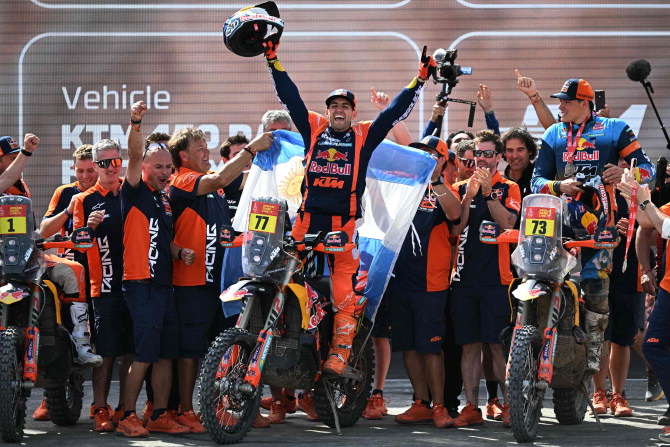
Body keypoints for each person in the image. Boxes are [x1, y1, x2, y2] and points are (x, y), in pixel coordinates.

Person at [262, 40, 432, 383]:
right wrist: (273, 60)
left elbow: (393, 112)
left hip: (343, 228)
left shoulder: (364, 134)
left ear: (354, 112)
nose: (339, 110)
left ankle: (339, 354)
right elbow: (290, 97)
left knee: (345, 295)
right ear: (327, 112)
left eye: (345, 106)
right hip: (305, 223)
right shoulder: (313, 126)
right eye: (334, 106)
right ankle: (287, 344)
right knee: (278, 280)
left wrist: (419, 80)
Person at [531, 78, 655, 373]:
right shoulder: (553, 133)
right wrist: (560, 185)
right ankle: (545, 361)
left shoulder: (614, 128)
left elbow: (647, 169)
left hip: (602, 232)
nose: (560, 106)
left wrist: (625, 174)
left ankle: (593, 370)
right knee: (549, 296)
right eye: (560, 101)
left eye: (566, 101)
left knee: (597, 303)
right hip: (559, 231)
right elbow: (535, 181)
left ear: (584, 103)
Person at [168, 126, 273, 431]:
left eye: (206, 146)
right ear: (183, 155)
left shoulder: (212, 183)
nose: (207, 152)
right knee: (190, 350)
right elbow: (222, 178)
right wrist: (251, 149)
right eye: (199, 148)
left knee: (228, 347)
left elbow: (237, 185)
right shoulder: (183, 179)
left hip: (221, 282)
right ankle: (186, 410)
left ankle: (223, 405)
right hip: (192, 282)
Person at [115, 101, 193, 438]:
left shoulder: (163, 199)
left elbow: (163, 240)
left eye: (168, 167)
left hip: (164, 284)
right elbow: (134, 155)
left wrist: (180, 251)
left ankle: (159, 413)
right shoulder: (134, 190)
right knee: (145, 353)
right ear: (144, 167)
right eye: (158, 166)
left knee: (165, 354)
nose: (165, 172)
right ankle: (126, 415)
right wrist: (135, 122)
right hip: (140, 283)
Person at [388, 136, 461, 428]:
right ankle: (421, 402)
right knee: (408, 346)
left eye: (431, 155)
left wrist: (436, 180)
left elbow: (455, 215)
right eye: (419, 154)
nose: (423, 159)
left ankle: (439, 405)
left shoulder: (443, 189)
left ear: (442, 160)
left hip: (430, 282)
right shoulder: (401, 186)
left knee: (431, 347)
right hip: (399, 278)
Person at [449, 130, 520, 428]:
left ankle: (510, 405)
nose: (482, 159)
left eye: (489, 154)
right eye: (478, 153)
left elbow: (509, 222)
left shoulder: (509, 187)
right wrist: (468, 197)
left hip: (497, 280)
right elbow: (455, 230)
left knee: (497, 346)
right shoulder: (460, 187)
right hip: (463, 279)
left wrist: (489, 193)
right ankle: (471, 407)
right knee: (469, 346)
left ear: (499, 157)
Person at [32, 143, 99, 422]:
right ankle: (50, 398)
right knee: (56, 326)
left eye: (90, 170)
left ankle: (102, 406)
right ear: (74, 169)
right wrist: (68, 211)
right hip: (69, 270)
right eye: (80, 170)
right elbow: (44, 230)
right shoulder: (65, 192)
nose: (85, 176)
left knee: (104, 340)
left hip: (102, 271)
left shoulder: (110, 190)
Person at [71, 139, 132, 432]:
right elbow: (77, 245)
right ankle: (99, 408)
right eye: (104, 163)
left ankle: (125, 409)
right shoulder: (84, 200)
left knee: (131, 352)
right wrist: (90, 228)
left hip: (136, 285)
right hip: (105, 287)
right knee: (106, 353)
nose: (111, 168)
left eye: (115, 161)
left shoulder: (132, 192)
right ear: (95, 166)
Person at [617, 178, 670, 441]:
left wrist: (645, 200)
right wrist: (635, 199)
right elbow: (647, 222)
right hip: (669, 288)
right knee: (652, 346)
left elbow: (665, 227)